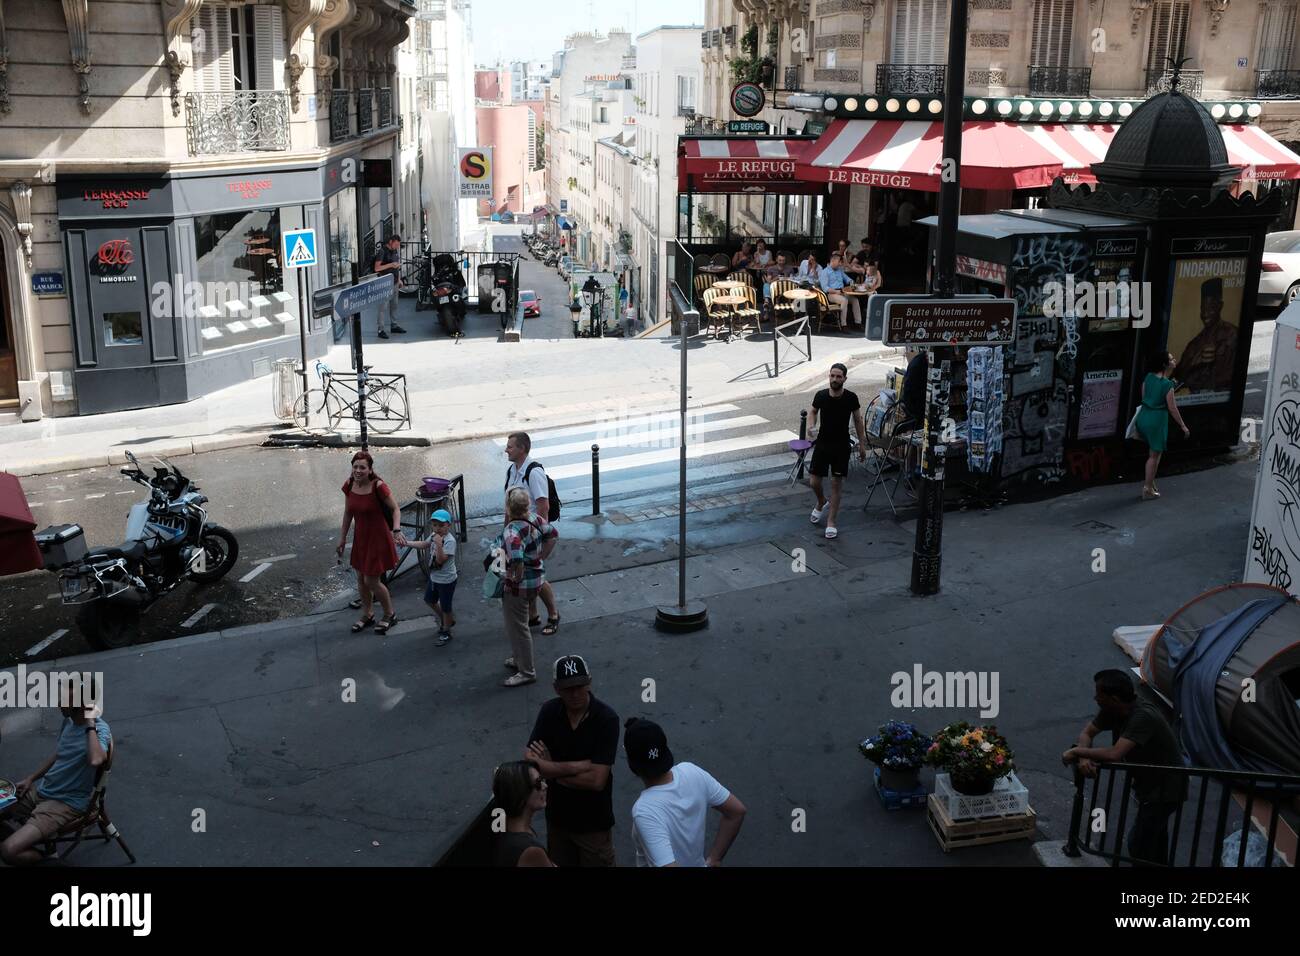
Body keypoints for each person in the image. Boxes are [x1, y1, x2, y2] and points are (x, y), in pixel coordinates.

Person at [1063, 670, 1188, 866]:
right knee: (1155, 841)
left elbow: (1115, 753)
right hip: (1148, 786)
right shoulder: (1113, 709)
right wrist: (1083, 757)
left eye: (1099, 695)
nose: (1095, 698)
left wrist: (1077, 753)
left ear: (1113, 698)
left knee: (1139, 844)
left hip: (1165, 789)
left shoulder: (1143, 716)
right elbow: (1087, 733)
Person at [0, 675, 110, 866]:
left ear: (82, 705)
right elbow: (60, 753)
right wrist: (30, 778)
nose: (58, 703)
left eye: (64, 700)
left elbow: (96, 759)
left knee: (9, 851)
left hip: (64, 804)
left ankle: (50, 861)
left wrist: (90, 722)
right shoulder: (68, 722)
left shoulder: (100, 730)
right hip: (43, 791)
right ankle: (29, 839)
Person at [524, 655, 620, 866]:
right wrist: (581, 765)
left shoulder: (606, 719)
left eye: (579, 685)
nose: (575, 693)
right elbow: (531, 761)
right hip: (557, 821)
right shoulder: (549, 711)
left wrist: (551, 772)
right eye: (568, 688)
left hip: (593, 825)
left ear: (589, 682)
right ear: (556, 688)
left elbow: (597, 781)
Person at [624, 717, 747, 867]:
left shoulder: (645, 810)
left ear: (632, 764)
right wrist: (715, 859)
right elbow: (736, 811)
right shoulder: (691, 771)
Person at [498, 487, 558, 687]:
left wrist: (513, 578)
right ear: (527, 505)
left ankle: (526, 671)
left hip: (519, 587)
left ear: (508, 508)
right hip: (537, 580)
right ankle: (519, 660)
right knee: (519, 625)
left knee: (518, 628)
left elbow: (516, 559)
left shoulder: (511, 530)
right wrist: (542, 556)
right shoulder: (535, 519)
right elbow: (553, 533)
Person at [337, 451, 400, 634]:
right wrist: (342, 538)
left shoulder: (378, 486)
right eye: (355, 466)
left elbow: (395, 509)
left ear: (370, 469)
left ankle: (390, 614)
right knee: (361, 580)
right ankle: (368, 614)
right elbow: (348, 512)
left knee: (371, 580)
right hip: (361, 539)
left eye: (362, 467)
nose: (358, 470)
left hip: (378, 539)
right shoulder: (349, 485)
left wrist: (396, 529)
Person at [504, 432, 561, 635]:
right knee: (530, 576)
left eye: (510, 446)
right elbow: (508, 504)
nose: (506, 449)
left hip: (531, 533)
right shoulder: (512, 470)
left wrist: (541, 540)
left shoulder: (533, 472)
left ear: (522, 449)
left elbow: (542, 507)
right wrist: (505, 531)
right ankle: (533, 616)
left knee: (537, 576)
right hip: (516, 532)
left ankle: (553, 615)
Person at [807, 363, 867, 539]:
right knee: (814, 482)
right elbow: (812, 411)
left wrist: (862, 445)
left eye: (838, 376)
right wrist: (811, 426)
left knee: (836, 483)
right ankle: (821, 501)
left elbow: (858, 421)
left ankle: (831, 522)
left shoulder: (851, 398)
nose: (834, 379)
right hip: (823, 443)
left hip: (841, 446)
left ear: (844, 379)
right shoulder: (821, 395)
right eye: (832, 376)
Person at [1134, 352, 1190, 501]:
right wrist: (1183, 426)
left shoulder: (1148, 377)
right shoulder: (1167, 385)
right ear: (1165, 364)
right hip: (1156, 421)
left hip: (1144, 417)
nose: (1174, 360)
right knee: (1154, 456)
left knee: (1152, 452)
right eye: (1171, 359)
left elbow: (1144, 397)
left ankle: (1150, 482)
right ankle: (1147, 488)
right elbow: (1172, 408)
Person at [400, 508, 458, 645]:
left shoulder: (450, 541)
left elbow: (440, 560)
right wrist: (407, 542)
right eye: (435, 525)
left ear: (448, 525)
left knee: (446, 607)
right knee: (430, 600)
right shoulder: (433, 535)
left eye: (441, 525)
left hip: (447, 580)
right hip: (434, 578)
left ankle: (446, 631)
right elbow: (424, 544)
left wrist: (438, 544)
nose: (437, 528)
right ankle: (447, 620)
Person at [1176, 277, 1238, 394]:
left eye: (1211, 308)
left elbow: (1229, 377)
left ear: (1220, 306)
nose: (1205, 314)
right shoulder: (1195, 344)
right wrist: (1193, 364)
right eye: (1203, 308)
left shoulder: (1232, 335)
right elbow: (1174, 381)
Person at [490, 761, 554, 867]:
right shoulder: (531, 851)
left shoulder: (502, 824)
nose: (545, 786)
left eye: (542, 779)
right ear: (521, 791)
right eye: (538, 782)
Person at [372, 234, 407, 339]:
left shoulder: (395, 251)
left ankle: (394, 325)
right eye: (396, 244)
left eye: (398, 245)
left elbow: (397, 267)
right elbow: (377, 268)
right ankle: (380, 329)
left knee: (394, 305)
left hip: (395, 282)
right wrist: (391, 265)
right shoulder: (382, 251)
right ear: (391, 242)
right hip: (385, 283)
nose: (397, 247)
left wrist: (399, 279)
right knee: (383, 307)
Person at [819, 253, 862, 329]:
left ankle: (858, 323)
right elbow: (825, 288)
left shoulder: (839, 271)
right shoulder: (825, 272)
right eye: (839, 262)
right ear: (833, 261)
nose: (840, 264)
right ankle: (843, 324)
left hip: (842, 292)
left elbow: (847, 279)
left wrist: (852, 283)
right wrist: (836, 292)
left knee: (855, 300)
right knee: (844, 300)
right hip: (831, 294)